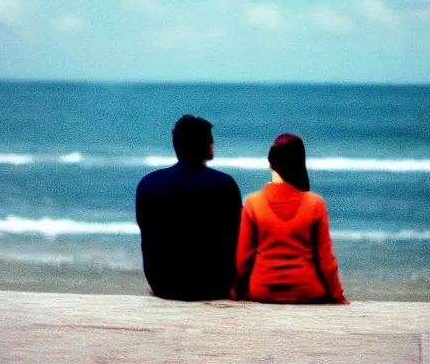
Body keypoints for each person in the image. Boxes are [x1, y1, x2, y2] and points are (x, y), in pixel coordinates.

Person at [231, 133, 348, 304]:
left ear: (271, 163)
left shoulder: (252, 203)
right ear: (299, 164)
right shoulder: (315, 203)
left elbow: (243, 259)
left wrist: (235, 290)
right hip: (307, 291)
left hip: (262, 291)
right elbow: (325, 259)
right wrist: (338, 296)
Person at [136, 114, 242, 301]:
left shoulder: (148, 183)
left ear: (176, 146)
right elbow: (236, 235)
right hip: (213, 285)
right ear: (208, 146)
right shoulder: (223, 184)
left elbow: (146, 232)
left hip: (163, 284)